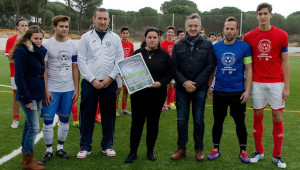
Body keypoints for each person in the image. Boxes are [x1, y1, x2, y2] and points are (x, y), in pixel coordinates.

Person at [243, 3, 289, 169]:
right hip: (257, 83)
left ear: (271, 15)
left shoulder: (282, 35)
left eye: (265, 13)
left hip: (277, 82)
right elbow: (246, 63)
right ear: (256, 16)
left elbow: (285, 61)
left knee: (277, 117)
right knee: (257, 114)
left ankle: (277, 156)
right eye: (259, 14)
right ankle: (259, 151)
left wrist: (286, 87)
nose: (262, 16)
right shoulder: (248, 36)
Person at [76, 8, 124, 159]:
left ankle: (108, 145)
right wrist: (92, 79)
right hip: (90, 83)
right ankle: (85, 146)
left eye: (105, 19)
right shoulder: (85, 37)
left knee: (109, 115)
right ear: (94, 19)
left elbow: (119, 60)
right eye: (100, 18)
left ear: (109, 20)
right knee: (87, 115)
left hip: (110, 83)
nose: (102, 22)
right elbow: (81, 61)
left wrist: (110, 78)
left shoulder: (115, 38)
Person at [206, 17, 253, 163]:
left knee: (240, 123)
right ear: (224, 30)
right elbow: (213, 68)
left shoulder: (244, 47)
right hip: (219, 91)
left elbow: (249, 69)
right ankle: (216, 149)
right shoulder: (216, 47)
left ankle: (243, 151)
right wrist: (209, 86)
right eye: (227, 28)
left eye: (232, 29)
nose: (229, 31)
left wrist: (247, 90)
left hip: (238, 92)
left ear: (237, 31)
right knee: (218, 122)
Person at [125, 27, 174, 163]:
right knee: (137, 124)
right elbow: (129, 70)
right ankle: (133, 152)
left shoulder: (164, 55)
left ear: (159, 39)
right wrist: (127, 76)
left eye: (154, 37)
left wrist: (161, 83)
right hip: (138, 95)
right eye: (149, 37)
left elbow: (170, 73)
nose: (152, 40)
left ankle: (150, 151)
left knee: (153, 123)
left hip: (157, 95)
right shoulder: (137, 53)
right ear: (145, 39)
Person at [170, 13, 215, 162]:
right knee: (181, 120)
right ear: (186, 27)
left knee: (198, 120)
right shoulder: (177, 44)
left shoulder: (207, 45)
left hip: (199, 89)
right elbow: (174, 68)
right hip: (182, 89)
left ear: (200, 27)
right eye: (190, 25)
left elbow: (210, 66)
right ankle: (181, 149)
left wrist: (195, 83)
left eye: (196, 25)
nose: (193, 28)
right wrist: (185, 82)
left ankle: (199, 149)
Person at [40, 15, 80, 163]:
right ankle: (48, 150)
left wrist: (76, 88)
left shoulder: (73, 46)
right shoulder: (46, 45)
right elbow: (43, 69)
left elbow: (75, 68)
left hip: (68, 89)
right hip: (52, 88)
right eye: (62, 26)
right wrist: (45, 89)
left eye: (66, 26)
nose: (65, 29)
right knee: (48, 121)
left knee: (64, 119)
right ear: (54, 27)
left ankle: (60, 148)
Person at [12, 25, 46, 170]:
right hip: (28, 95)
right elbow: (19, 77)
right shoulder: (22, 52)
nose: (39, 41)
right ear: (28, 38)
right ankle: (27, 161)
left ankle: (27, 157)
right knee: (34, 127)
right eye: (35, 38)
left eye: (41, 38)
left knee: (29, 125)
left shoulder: (38, 51)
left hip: (37, 94)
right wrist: (26, 99)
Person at [5, 18, 28, 128]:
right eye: (22, 25)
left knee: (29, 96)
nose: (24, 27)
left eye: (26, 25)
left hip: (29, 74)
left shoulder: (30, 39)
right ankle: (16, 119)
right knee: (16, 96)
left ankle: (29, 119)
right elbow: (10, 59)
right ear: (17, 27)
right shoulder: (11, 40)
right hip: (15, 73)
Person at [119, 26, 134, 115]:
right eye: (123, 33)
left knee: (126, 90)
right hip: (118, 70)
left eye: (126, 33)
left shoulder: (131, 44)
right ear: (121, 34)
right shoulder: (118, 43)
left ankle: (123, 109)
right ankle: (115, 109)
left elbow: (132, 57)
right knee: (117, 91)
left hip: (127, 70)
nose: (125, 35)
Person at [161, 26, 176, 110]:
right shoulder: (163, 44)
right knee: (164, 86)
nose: (170, 33)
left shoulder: (176, 43)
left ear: (173, 34)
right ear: (167, 33)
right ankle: (162, 104)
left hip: (173, 67)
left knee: (171, 86)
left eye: (171, 32)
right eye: (169, 32)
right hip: (165, 68)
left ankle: (169, 103)